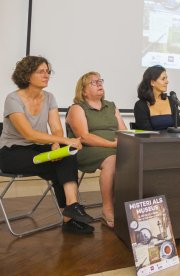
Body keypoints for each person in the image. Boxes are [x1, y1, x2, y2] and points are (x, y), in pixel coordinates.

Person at [0, 56, 94, 234]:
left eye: (47, 71)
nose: (46, 75)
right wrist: (65, 141)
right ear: (27, 76)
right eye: (41, 72)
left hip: (38, 147)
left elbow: (57, 129)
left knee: (66, 156)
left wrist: (57, 145)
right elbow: (28, 134)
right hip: (11, 152)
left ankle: (71, 209)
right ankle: (70, 216)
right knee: (58, 166)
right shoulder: (13, 99)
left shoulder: (49, 97)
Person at [66, 72, 127, 228]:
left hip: (114, 147)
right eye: (94, 82)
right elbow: (84, 137)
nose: (99, 84)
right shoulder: (77, 108)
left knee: (139, 157)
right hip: (86, 150)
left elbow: (123, 131)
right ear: (83, 90)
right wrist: (113, 145)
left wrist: (124, 143)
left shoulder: (111, 106)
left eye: (100, 81)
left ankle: (128, 206)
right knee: (112, 160)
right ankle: (107, 210)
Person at [134, 65, 180, 130]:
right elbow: (146, 133)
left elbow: (178, 128)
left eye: (166, 78)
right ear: (152, 82)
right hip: (152, 140)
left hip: (172, 140)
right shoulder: (141, 105)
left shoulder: (172, 101)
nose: (167, 81)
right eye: (163, 79)